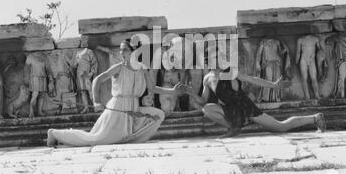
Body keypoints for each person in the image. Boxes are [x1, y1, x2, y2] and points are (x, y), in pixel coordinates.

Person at [46, 40, 184, 147]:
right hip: (117, 108)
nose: (121, 52)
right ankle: (54, 133)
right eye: (120, 50)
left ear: (134, 51)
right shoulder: (118, 67)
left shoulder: (142, 69)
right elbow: (97, 80)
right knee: (95, 139)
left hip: (133, 108)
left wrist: (172, 91)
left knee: (158, 114)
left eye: (125, 50)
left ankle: (131, 140)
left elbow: (152, 88)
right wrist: (96, 101)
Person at [183, 66, 326, 137]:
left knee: (280, 127)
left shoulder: (229, 72)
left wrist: (273, 85)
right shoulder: (207, 78)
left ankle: (315, 118)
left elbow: (253, 79)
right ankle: (234, 128)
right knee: (206, 109)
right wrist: (190, 93)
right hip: (230, 110)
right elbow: (203, 100)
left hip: (245, 107)